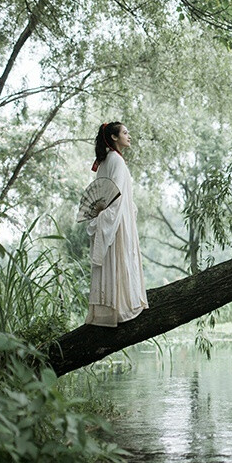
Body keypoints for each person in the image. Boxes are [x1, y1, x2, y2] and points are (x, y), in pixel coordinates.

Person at [85, 121, 149, 326]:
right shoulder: (116, 161)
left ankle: (113, 308)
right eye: (125, 132)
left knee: (112, 262)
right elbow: (117, 197)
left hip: (110, 217)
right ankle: (122, 308)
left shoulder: (105, 161)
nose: (129, 136)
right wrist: (114, 216)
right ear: (114, 137)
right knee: (121, 258)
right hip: (117, 220)